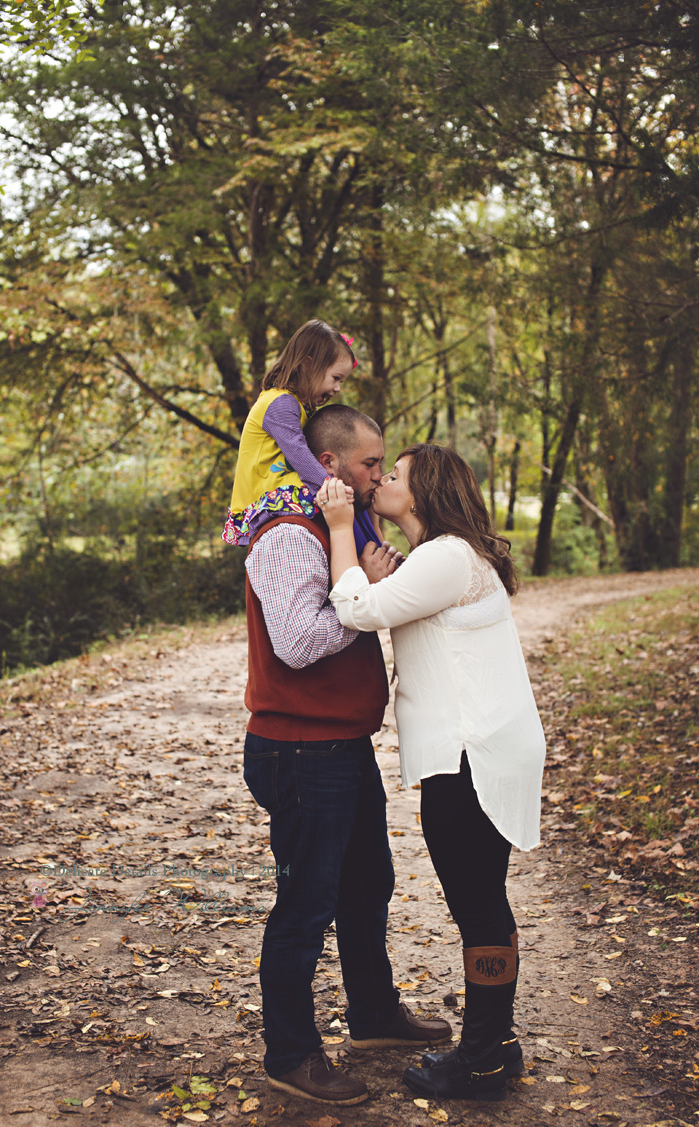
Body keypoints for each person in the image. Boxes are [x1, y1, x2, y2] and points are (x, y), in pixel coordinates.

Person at [316, 443, 546, 1104]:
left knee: (478, 906)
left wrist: (339, 528)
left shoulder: (445, 556)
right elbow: (384, 603)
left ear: (423, 492)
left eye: (395, 473)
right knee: (484, 901)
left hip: (470, 754)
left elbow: (356, 611)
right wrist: (372, 574)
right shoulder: (445, 556)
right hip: (478, 749)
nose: (382, 478)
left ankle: (481, 1060)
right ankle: (495, 1044)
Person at [243, 408, 452, 1106]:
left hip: (340, 742)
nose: (377, 475)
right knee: (307, 904)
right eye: (370, 464)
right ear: (329, 464)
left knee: (369, 883)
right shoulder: (288, 534)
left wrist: (362, 578)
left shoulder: (342, 528)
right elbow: (299, 644)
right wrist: (359, 589)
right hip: (300, 748)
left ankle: (373, 1014)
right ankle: (291, 1054)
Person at [223, 319, 378, 554]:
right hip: (269, 493)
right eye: (335, 378)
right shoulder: (280, 403)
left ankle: (372, 547)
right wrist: (329, 487)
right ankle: (361, 553)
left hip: (286, 485)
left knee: (351, 495)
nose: (337, 388)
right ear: (308, 365)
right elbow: (299, 454)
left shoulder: (298, 405)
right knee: (341, 497)